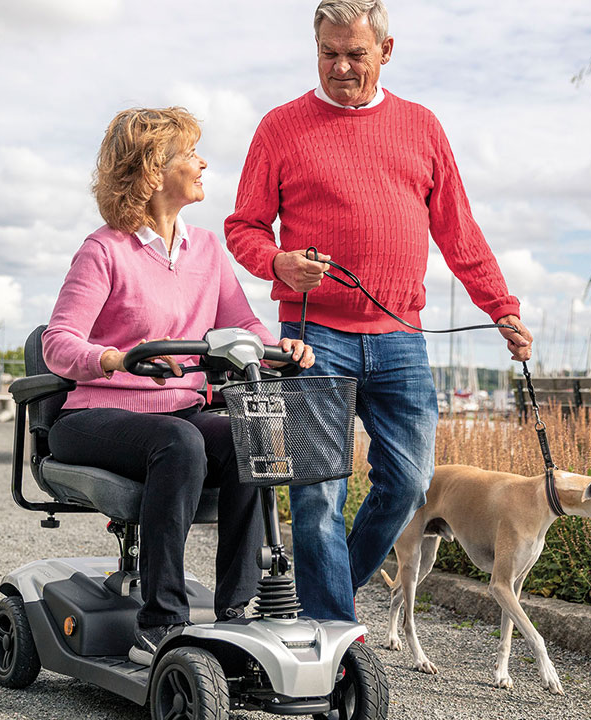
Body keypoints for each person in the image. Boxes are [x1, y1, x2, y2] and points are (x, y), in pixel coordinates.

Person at [224, 0, 534, 623]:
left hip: (400, 340)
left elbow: (459, 231)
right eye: (328, 53)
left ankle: (321, 599)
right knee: (316, 496)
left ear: (385, 52)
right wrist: (280, 263)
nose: (339, 67)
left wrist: (501, 309)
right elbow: (244, 229)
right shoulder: (280, 127)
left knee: (412, 486)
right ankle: (334, 635)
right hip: (311, 337)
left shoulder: (422, 126)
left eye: (354, 54)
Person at [42, 107, 316, 666]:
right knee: (181, 441)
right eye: (190, 153)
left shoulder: (207, 251)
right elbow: (58, 344)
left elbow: (245, 325)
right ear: (151, 169)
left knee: (248, 437)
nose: (203, 162)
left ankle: (237, 615)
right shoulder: (105, 249)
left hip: (175, 415)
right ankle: (160, 623)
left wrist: (280, 347)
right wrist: (117, 357)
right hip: (95, 418)